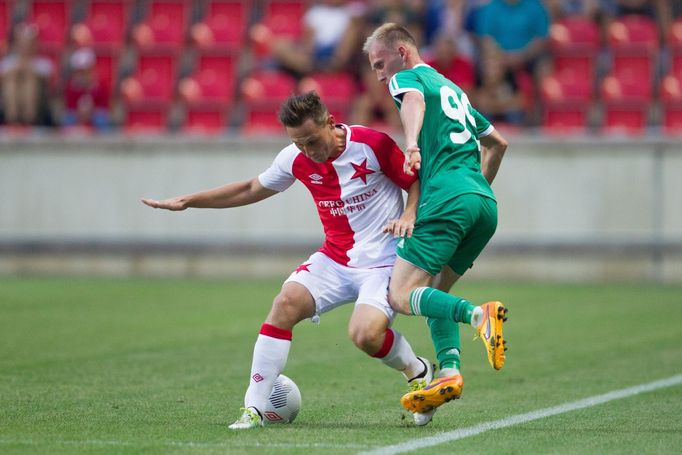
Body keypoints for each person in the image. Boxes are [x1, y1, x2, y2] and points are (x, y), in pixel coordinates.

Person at [142, 91, 438, 428]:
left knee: (365, 335)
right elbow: (252, 188)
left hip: (384, 262)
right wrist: (190, 201)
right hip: (335, 258)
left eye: (312, 141)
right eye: (299, 144)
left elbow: (414, 181)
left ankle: (417, 370)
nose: (309, 151)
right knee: (285, 302)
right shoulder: (294, 158)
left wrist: (410, 214)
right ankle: (252, 409)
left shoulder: (372, 144)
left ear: (330, 122)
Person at [364, 23, 509, 419]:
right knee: (434, 294)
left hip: (445, 199)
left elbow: (412, 101)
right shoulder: (454, 90)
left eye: (381, 63)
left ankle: (479, 314)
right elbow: (498, 142)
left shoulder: (409, 78)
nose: (379, 74)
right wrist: (477, 186)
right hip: (483, 204)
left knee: (400, 294)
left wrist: (410, 143)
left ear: (403, 52)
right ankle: (448, 372)